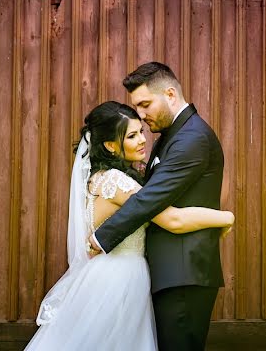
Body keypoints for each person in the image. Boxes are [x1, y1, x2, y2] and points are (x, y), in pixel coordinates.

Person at [26, 101, 234, 350]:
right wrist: (225, 218)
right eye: (132, 136)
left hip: (109, 273)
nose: (142, 140)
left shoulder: (100, 177)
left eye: (141, 132)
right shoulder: (117, 182)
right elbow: (173, 220)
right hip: (120, 279)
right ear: (111, 146)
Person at [89, 62, 225, 351]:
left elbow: (151, 197)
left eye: (146, 104)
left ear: (171, 94)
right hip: (168, 274)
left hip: (183, 274)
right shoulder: (172, 137)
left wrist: (103, 236)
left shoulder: (191, 138)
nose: (141, 114)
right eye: (137, 107)